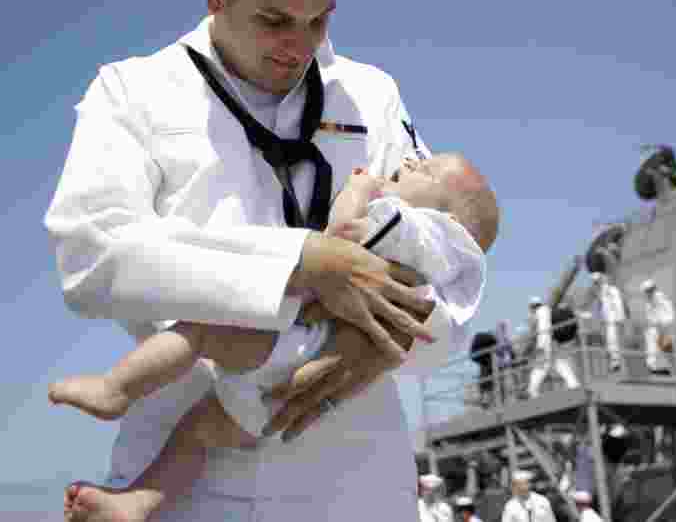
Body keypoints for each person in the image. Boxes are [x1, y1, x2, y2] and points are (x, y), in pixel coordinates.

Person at [44, 0, 492, 521]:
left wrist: (380, 346)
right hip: (191, 465)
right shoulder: (132, 93)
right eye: (275, 20)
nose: (300, 44)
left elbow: (452, 252)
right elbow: (93, 252)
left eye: (320, 19)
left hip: (357, 472)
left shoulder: (371, 94)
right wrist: (301, 262)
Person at [50, 159, 495, 521]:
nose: (410, 160)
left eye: (425, 170)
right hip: (297, 401)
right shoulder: (449, 269)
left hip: (296, 343)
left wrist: (357, 192)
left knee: (202, 330)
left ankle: (117, 392)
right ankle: (136, 501)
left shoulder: (412, 228)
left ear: (449, 220)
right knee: (200, 433)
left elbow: (341, 239)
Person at [527, 297, 580, 397]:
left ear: (532, 307)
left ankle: (532, 389)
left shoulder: (541, 312)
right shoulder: (548, 310)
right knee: (559, 362)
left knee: (542, 365)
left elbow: (544, 331)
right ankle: (573, 384)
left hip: (548, 342)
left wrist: (541, 347)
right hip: (561, 340)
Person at [642, 279, 675, 375]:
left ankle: (666, 368)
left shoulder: (661, 298)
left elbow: (669, 313)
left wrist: (664, 324)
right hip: (654, 328)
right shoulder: (648, 301)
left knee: (665, 348)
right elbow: (649, 316)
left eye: (649, 290)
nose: (648, 292)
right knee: (652, 346)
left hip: (663, 327)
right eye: (646, 291)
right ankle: (653, 367)